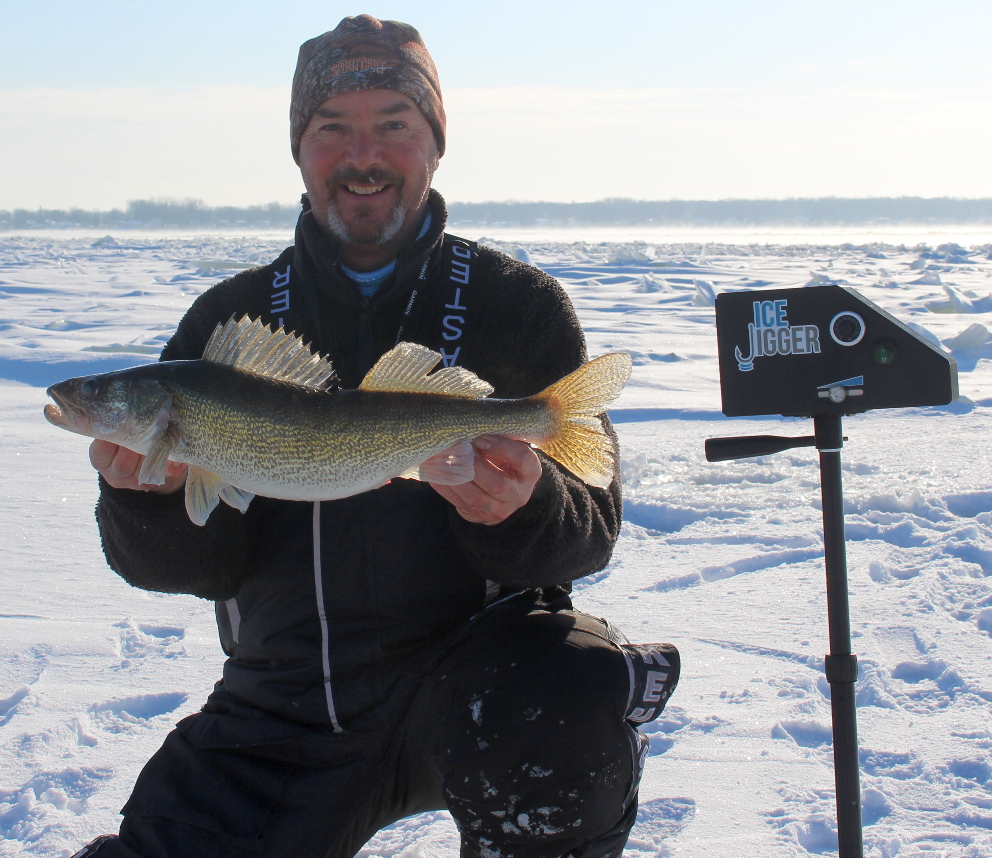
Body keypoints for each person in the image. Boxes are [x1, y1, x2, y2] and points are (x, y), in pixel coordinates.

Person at [75, 15, 679, 858]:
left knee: (565, 697)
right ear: (300, 150)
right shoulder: (225, 323)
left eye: (393, 123)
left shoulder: (518, 305)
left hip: (483, 685)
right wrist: (145, 500)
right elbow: (184, 567)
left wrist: (524, 504)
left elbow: (589, 531)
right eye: (332, 129)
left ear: (433, 144)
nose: (363, 155)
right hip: (281, 704)